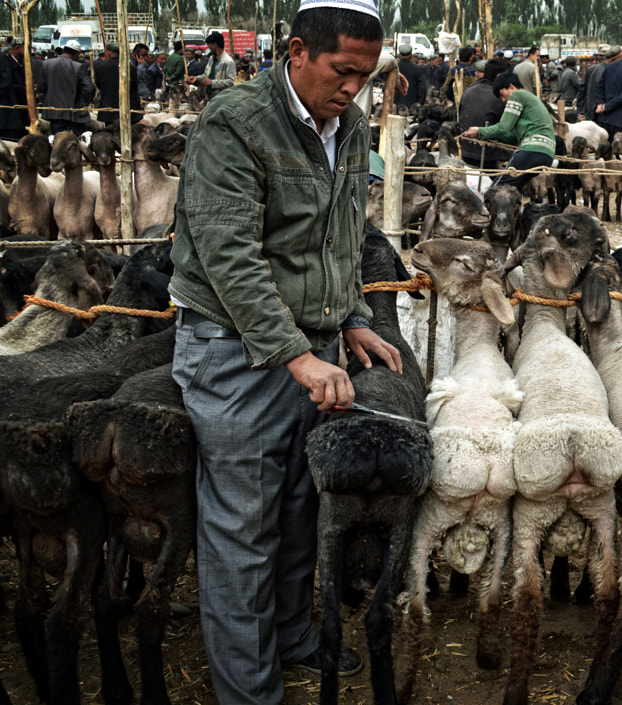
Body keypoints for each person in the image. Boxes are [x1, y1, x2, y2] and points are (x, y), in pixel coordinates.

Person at [169, 0, 402, 703]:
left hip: (315, 344)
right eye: (343, 71)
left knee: (302, 503)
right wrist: (294, 355)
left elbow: (340, 234)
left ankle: (294, 635)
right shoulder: (236, 122)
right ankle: (250, 689)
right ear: (296, 51)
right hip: (236, 351)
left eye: (365, 76)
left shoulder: (351, 126)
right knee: (244, 523)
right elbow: (228, 254)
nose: (353, 89)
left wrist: (353, 314)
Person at [462, 72, 555, 191]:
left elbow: (503, 127)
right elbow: (514, 138)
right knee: (512, 190)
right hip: (545, 154)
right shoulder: (530, 99)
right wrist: (490, 136)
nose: (503, 100)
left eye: (502, 94)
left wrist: (480, 131)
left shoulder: (517, 95)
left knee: (496, 190)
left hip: (531, 150)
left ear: (511, 86)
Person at [459, 57, 514, 169]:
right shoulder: (502, 97)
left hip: (466, 152)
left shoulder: (467, 91)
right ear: (499, 76)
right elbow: (508, 129)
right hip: (489, 156)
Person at [37, 39, 94, 135]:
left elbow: (41, 87)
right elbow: (90, 88)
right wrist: (83, 102)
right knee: (79, 141)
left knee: (58, 141)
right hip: (75, 112)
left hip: (54, 111)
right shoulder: (79, 66)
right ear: (76, 55)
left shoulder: (46, 64)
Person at [93, 42, 143, 126]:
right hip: (128, 108)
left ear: (108, 53)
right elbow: (134, 88)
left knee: (110, 134)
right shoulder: (131, 68)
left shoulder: (100, 68)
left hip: (109, 109)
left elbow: (100, 86)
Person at [185, 31, 236, 98]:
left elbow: (231, 82)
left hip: (222, 98)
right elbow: (206, 75)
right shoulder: (212, 58)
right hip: (210, 95)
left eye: (210, 47)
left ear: (215, 45)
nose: (209, 49)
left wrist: (212, 83)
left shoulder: (228, 61)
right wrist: (196, 78)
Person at [0, 37, 28, 141]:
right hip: (8, 113)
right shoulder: (6, 61)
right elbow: (8, 84)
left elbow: (7, 83)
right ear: (16, 48)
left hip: (15, 112)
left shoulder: (19, 63)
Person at [395, 43, 427, 108]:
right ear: (411, 56)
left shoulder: (393, 69)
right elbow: (422, 88)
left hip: (395, 106)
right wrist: (419, 104)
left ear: (399, 55)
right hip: (412, 106)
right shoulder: (417, 69)